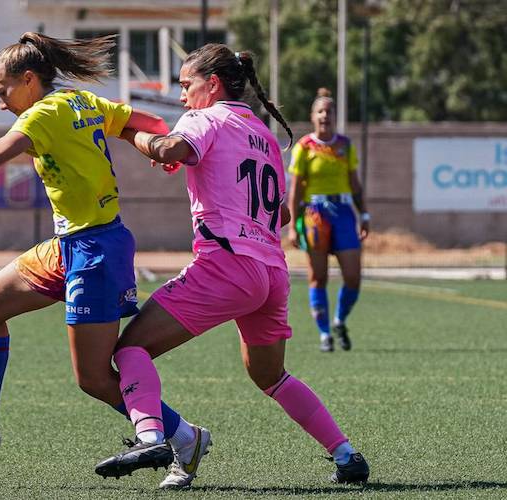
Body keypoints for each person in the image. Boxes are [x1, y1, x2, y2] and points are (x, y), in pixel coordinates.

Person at [0, 32, 195, 456]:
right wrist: (161, 147)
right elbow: (142, 122)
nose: (0, 102)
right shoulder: (82, 101)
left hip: (96, 252)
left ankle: (184, 436)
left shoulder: (41, 115)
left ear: (29, 79)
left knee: (94, 379)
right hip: (67, 246)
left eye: (3, 91)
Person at [93, 44, 370, 488]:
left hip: (226, 266)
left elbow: (167, 148)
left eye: (186, 85)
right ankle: (346, 454)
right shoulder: (261, 131)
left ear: (213, 84)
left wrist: (127, 131)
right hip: (271, 274)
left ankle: (150, 437)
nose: (182, 96)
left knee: (129, 350)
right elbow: (278, 214)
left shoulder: (205, 118)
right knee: (271, 375)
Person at [287, 88, 370, 352]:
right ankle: (324, 335)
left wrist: (363, 214)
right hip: (315, 215)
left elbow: (355, 184)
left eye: (329, 111)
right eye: (320, 111)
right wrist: (293, 225)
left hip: (343, 213)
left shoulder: (345, 145)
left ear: (335, 116)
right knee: (318, 277)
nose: (325, 115)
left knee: (353, 276)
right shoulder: (304, 147)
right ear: (313, 116)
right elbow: (297, 189)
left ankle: (339, 320)